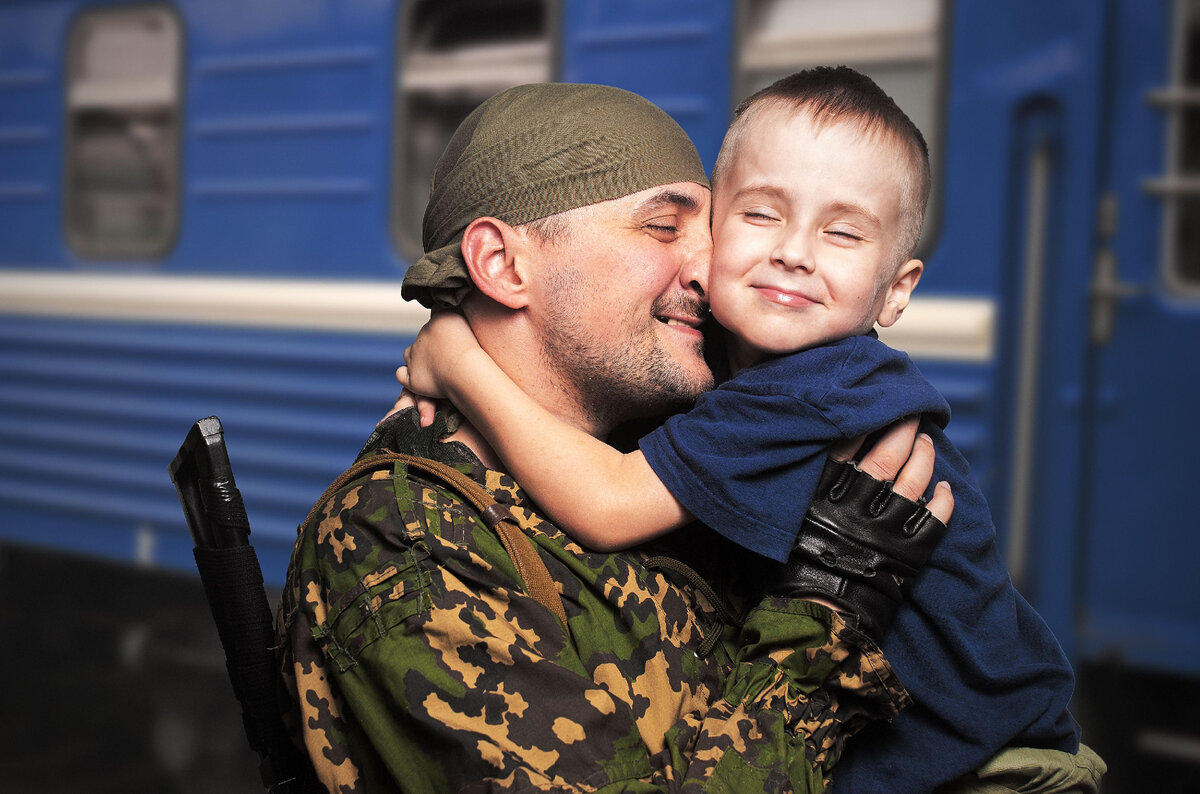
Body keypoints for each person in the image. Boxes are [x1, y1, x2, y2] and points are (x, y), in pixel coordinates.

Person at [396, 69, 1103, 793]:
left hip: (995, 770)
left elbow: (608, 504)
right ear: (716, 234)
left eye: (844, 232)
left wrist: (458, 364)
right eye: (761, 215)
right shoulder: (722, 372)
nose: (795, 251)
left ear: (897, 290)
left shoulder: (822, 385)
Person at [276, 81, 957, 793]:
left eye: (715, 230)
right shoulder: (404, 543)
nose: (710, 268)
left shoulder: (663, 452)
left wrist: (457, 360)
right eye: (664, 228)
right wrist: (825, 621)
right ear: (504, 266)